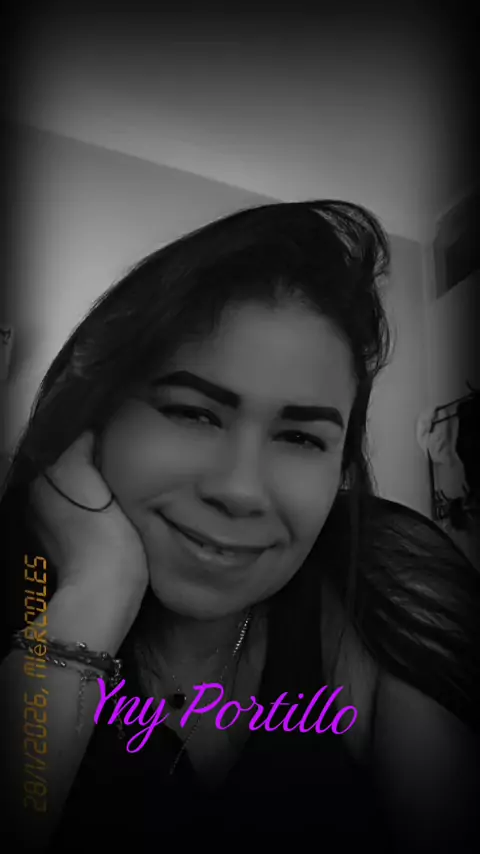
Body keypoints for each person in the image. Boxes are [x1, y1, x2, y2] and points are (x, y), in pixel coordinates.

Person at [0, 200, 478, 851]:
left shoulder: (383, 574)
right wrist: (96, 592)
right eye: (193, 413)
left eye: (301, 437)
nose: (240, 490)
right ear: (95, 416)